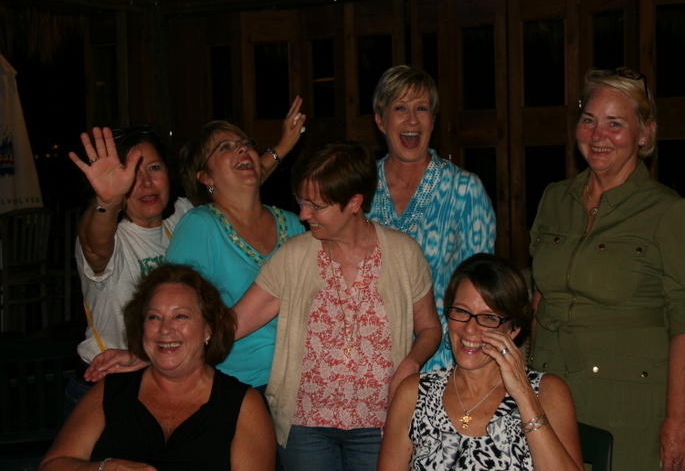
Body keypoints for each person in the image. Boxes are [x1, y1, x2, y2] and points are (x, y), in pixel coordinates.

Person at [66, 97, 305, 413]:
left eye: (154, 168)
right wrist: (107, 201)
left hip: (166, 371)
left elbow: (234, 185)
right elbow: (93, 245)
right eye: (132, 174)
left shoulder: (183, 213)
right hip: (109, 375)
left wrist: (282, 147)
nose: (146, 183)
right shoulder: (113, 234)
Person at [528, 67, 685, 471]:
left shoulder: (667, 212)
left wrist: (680, 423)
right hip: (548, 393)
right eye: (589, 120)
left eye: (615, 123)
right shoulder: (554, 199)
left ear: (644, 133)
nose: (598, 135)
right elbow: (540, 300)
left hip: (626, 405)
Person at [232, 140, 442, 471]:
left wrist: (411, 363)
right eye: (302, 202)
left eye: (316, 206)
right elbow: (234, 323)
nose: (303, 214)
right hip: (304, 425)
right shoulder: (293, 257)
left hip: (380, 421)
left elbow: (429, 328)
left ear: (354, 203)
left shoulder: (404, 253)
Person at [39, 264, 276, 471]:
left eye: (180, 316)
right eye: (154, 317)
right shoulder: (111, 391)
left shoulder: (243, 404)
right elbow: (52, 465)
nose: (165, 329)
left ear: (208, 328)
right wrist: (105, 468)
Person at [378, 253, 584, 471]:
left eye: (488, 318)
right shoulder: (414, 393)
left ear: (513, 328)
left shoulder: (548, 392)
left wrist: (524, 395)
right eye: (461, 311)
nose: (469, 328)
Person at [368, 65, 496, 372]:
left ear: (433, 120)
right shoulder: (358, 187)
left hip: (441, 364)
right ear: (381, 120)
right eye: (400, 108)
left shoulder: (464, 190)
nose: (412, 119)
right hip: (365, 362)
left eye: (422, 109)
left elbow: (481, 292)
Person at [165, 120, 305, 392]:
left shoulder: (294, 222)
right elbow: (174, 309)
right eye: (225, 147)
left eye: (245, 144)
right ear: (205, 176)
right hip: (239, 386)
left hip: (303, 377)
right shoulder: (200, 225)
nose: (242, 150)